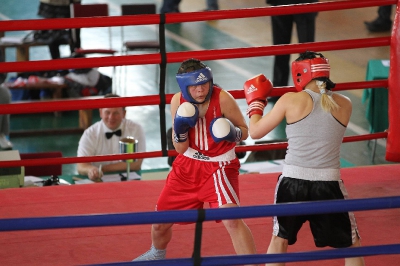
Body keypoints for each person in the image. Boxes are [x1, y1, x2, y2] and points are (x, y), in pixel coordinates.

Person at [243, 51, 365, 266]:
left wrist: (256, 103)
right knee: (351, 243)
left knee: (279, 240)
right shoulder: (345, 103)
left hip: (292, 182)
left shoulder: (291, 99)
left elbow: (255, 131)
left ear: (300, 73)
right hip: (328, 184)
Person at [133, 58, 257, 262]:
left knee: (232, 220)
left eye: (204, 83)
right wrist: (180, 131)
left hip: (219, 166)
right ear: (184, 86)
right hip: (187, 166)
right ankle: (156, 255)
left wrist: (230, 132)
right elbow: (181, 149)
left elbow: (244, 132)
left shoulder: (222, 98)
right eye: (195, 86)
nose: (200, 90)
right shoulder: (177, 101)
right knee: (159, 222)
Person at [77, 93, 146, 181]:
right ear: (101, 112)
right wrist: (91, 170)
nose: (111, 117)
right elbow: (81, 166)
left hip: (129, 181)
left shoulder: (136, 129)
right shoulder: (90, 133)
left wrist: (102, 169)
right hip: (100, 182)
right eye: (107, 112)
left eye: (116, 113)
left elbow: (136, 164)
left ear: (124, 114)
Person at [266, 0, 318, 100]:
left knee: (306, 52)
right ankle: (279, 89)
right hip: (281, 3)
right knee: (281, 48)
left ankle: (309, 91)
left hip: (305, 4)